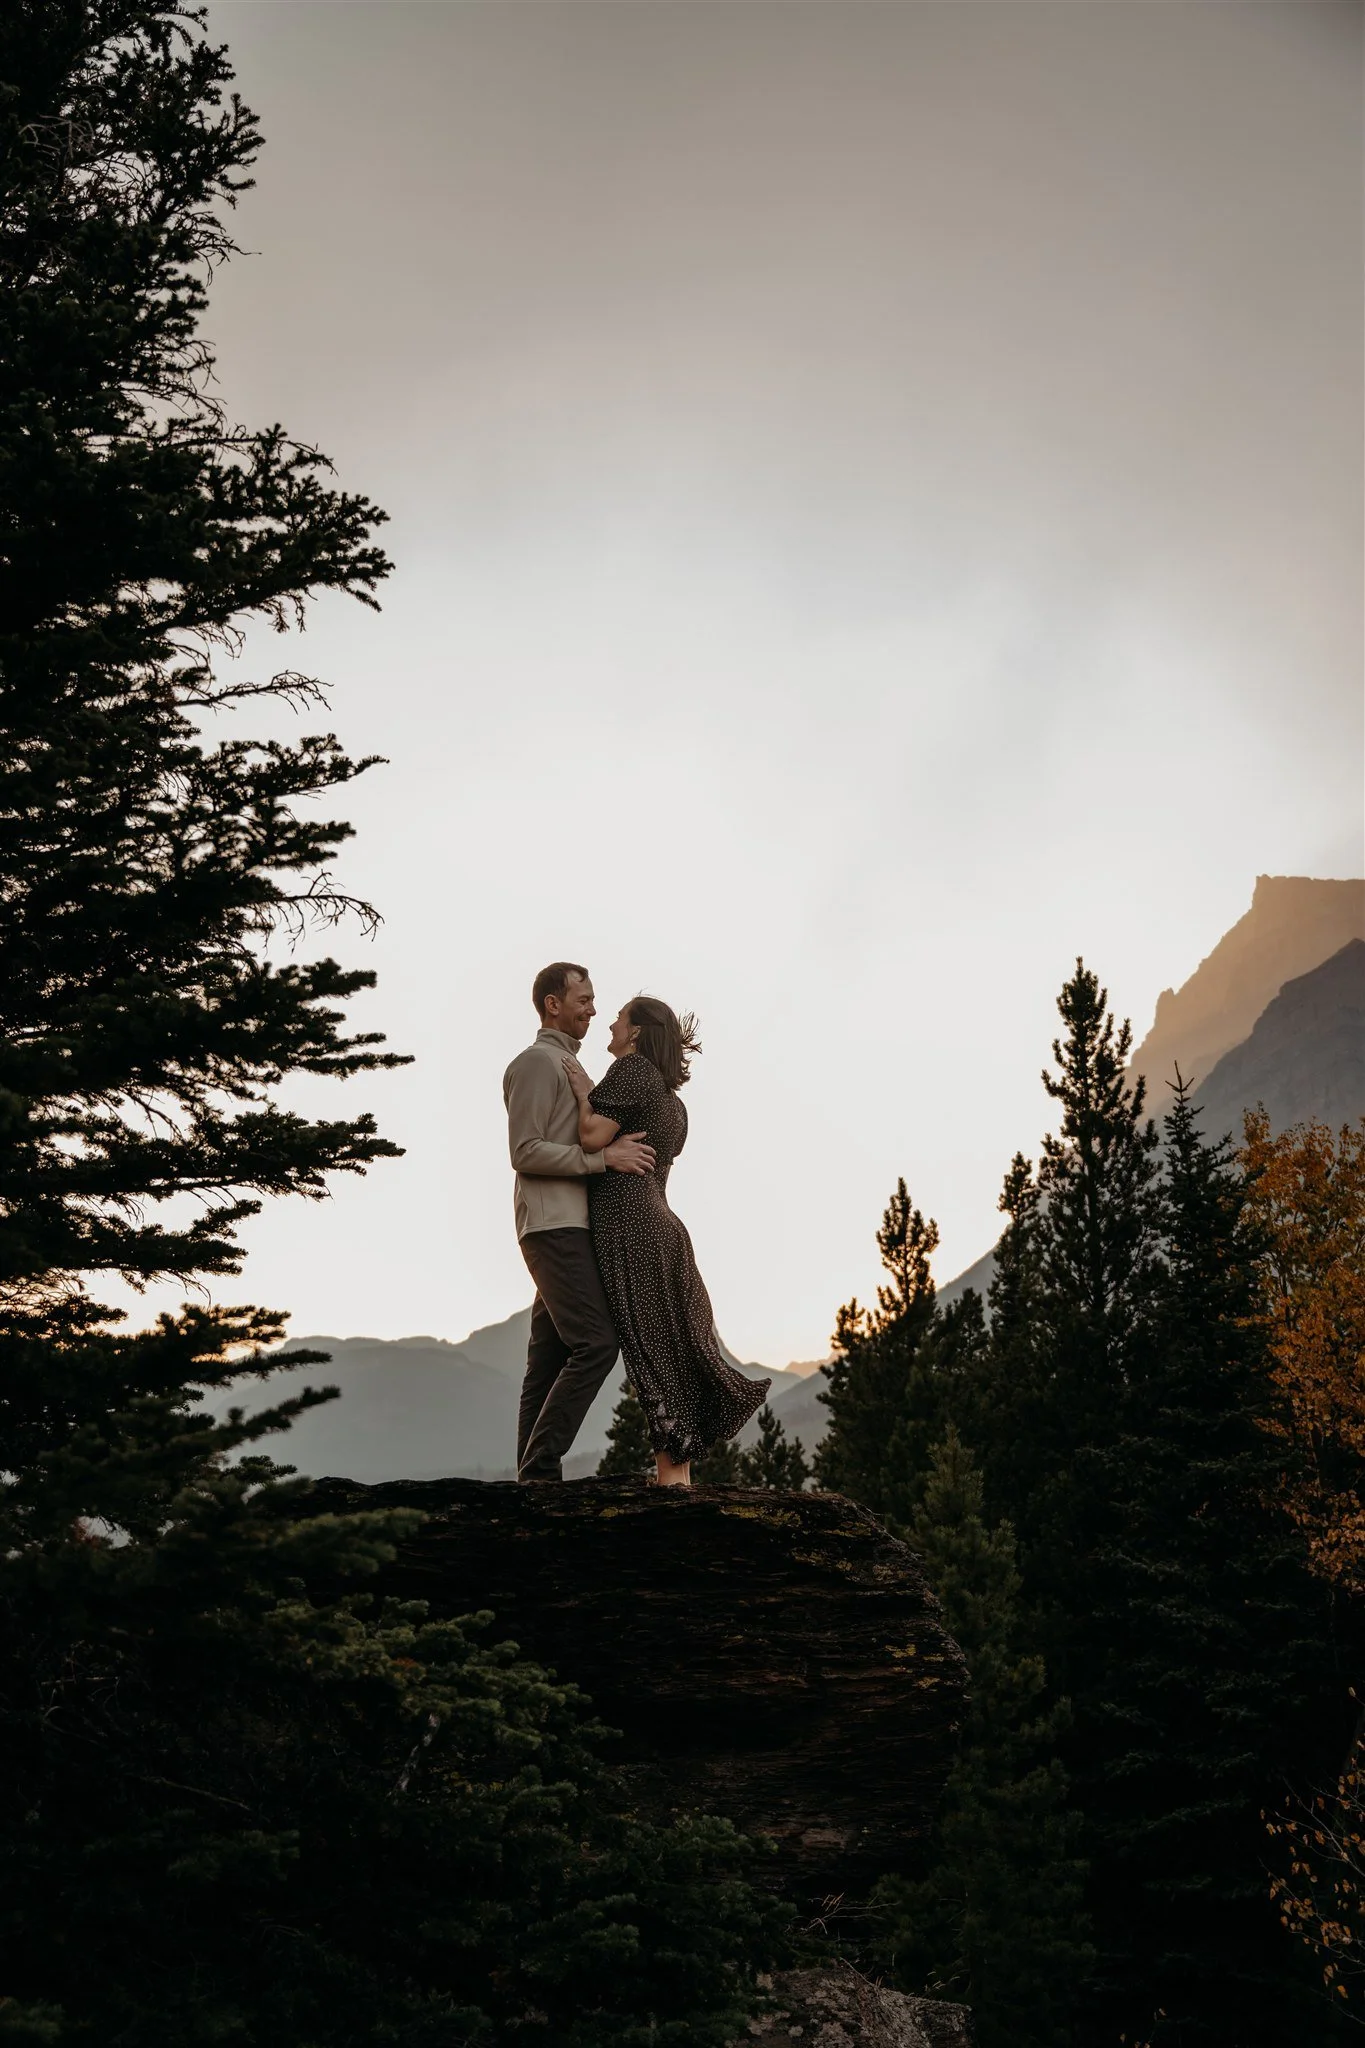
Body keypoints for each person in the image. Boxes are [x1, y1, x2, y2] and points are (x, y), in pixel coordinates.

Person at [563, 996, 769, 1487]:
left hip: (630, 1226)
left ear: (636, 1033)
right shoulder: (673, 1103)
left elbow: (590, 1135)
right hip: (663, 1227)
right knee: (671, 1349)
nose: (610, 1022)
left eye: (619, 1017)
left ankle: (672, 1484)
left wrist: (585, 1092)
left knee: (650, 1352)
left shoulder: (632, 1071)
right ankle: (677, 1478)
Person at [503, 962, 656, 1481]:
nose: (593, 1009)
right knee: (597, 1344)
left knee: (546, 1361)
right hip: (553, 1227)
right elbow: (524, 1152)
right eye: (584, 999)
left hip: (570, 1225)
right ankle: (542, 1468)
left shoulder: (567, 1067)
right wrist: (602, 1159)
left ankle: (531, 1483)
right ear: (553, 1003)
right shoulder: (536, 1064)